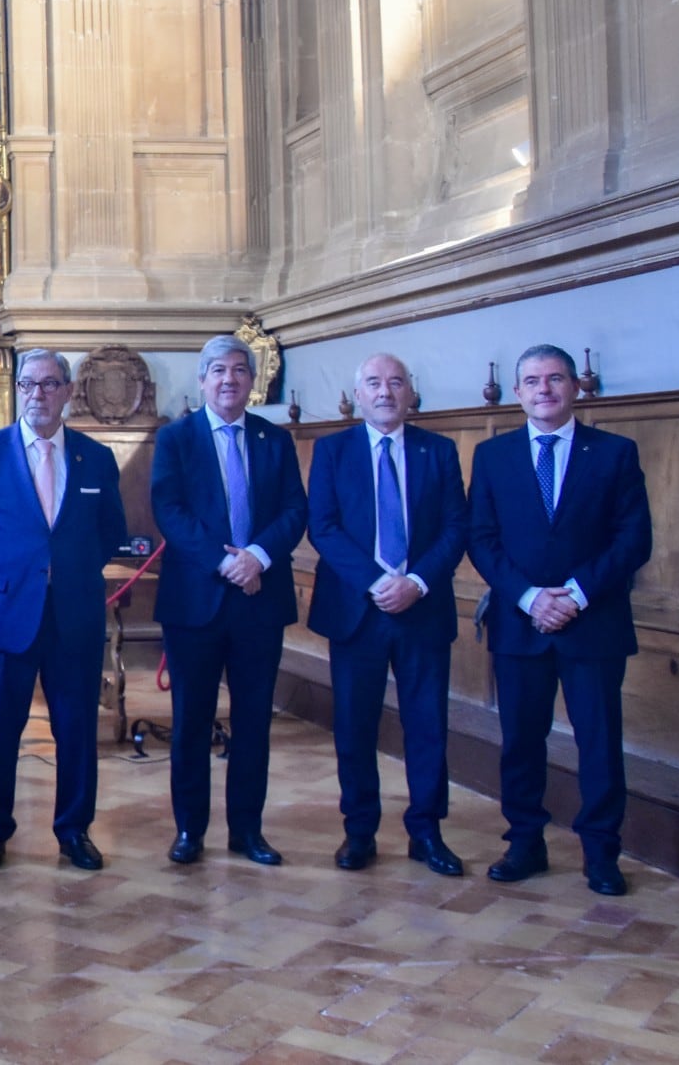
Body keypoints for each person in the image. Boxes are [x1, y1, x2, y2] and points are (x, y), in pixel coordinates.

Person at [468, 345, 651, 895]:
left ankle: (601, 853)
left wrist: (574, 594)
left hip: (592, 623)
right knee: (522, 740)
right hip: (520, 622)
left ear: (575, 387)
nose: (543, 389)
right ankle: (525, 841)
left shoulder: (615, 453)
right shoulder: (492, 456)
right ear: (518, 392)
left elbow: (633, 539)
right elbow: (482, 538)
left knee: (598, 742)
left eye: (555, 379)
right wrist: (529, 598)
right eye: (532, 380)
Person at [0, 350, 127, 871]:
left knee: (75, 730)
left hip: (75, 613)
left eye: (50, 385)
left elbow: (110, 530)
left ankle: (74, 831)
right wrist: (8, 578)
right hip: (6, 614)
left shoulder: (96, 457)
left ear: (68, 391)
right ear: (18, 390)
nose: (38, 395)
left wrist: (66, 572)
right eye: (29, 385)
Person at [305, 354, 468, 876]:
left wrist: (415, 582)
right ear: (358, 394)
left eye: (396, 383)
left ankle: (427, 832)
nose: (385, 392)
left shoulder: (438, 451)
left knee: (427, 727)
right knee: (354, 727)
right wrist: (378, 582)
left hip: (422, 608)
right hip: (357, 609)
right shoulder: (332, 451)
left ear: (410, 394)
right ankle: (359, 832)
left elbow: (455, 527)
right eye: (374, 383)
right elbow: (323, 528)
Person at [150, 334, 307, 867]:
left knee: (254, 721)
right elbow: (169, 510)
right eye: (218, 370)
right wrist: (226, 562)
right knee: (191, 721)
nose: (229, 379)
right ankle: (190, 830)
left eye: (240, 370)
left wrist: (257, 556)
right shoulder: (176, 439)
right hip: (195, 600)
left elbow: (293, 510)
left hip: (260, 601)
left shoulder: (274, 440)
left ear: (251, 382)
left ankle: (248, 832)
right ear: (203, 380)